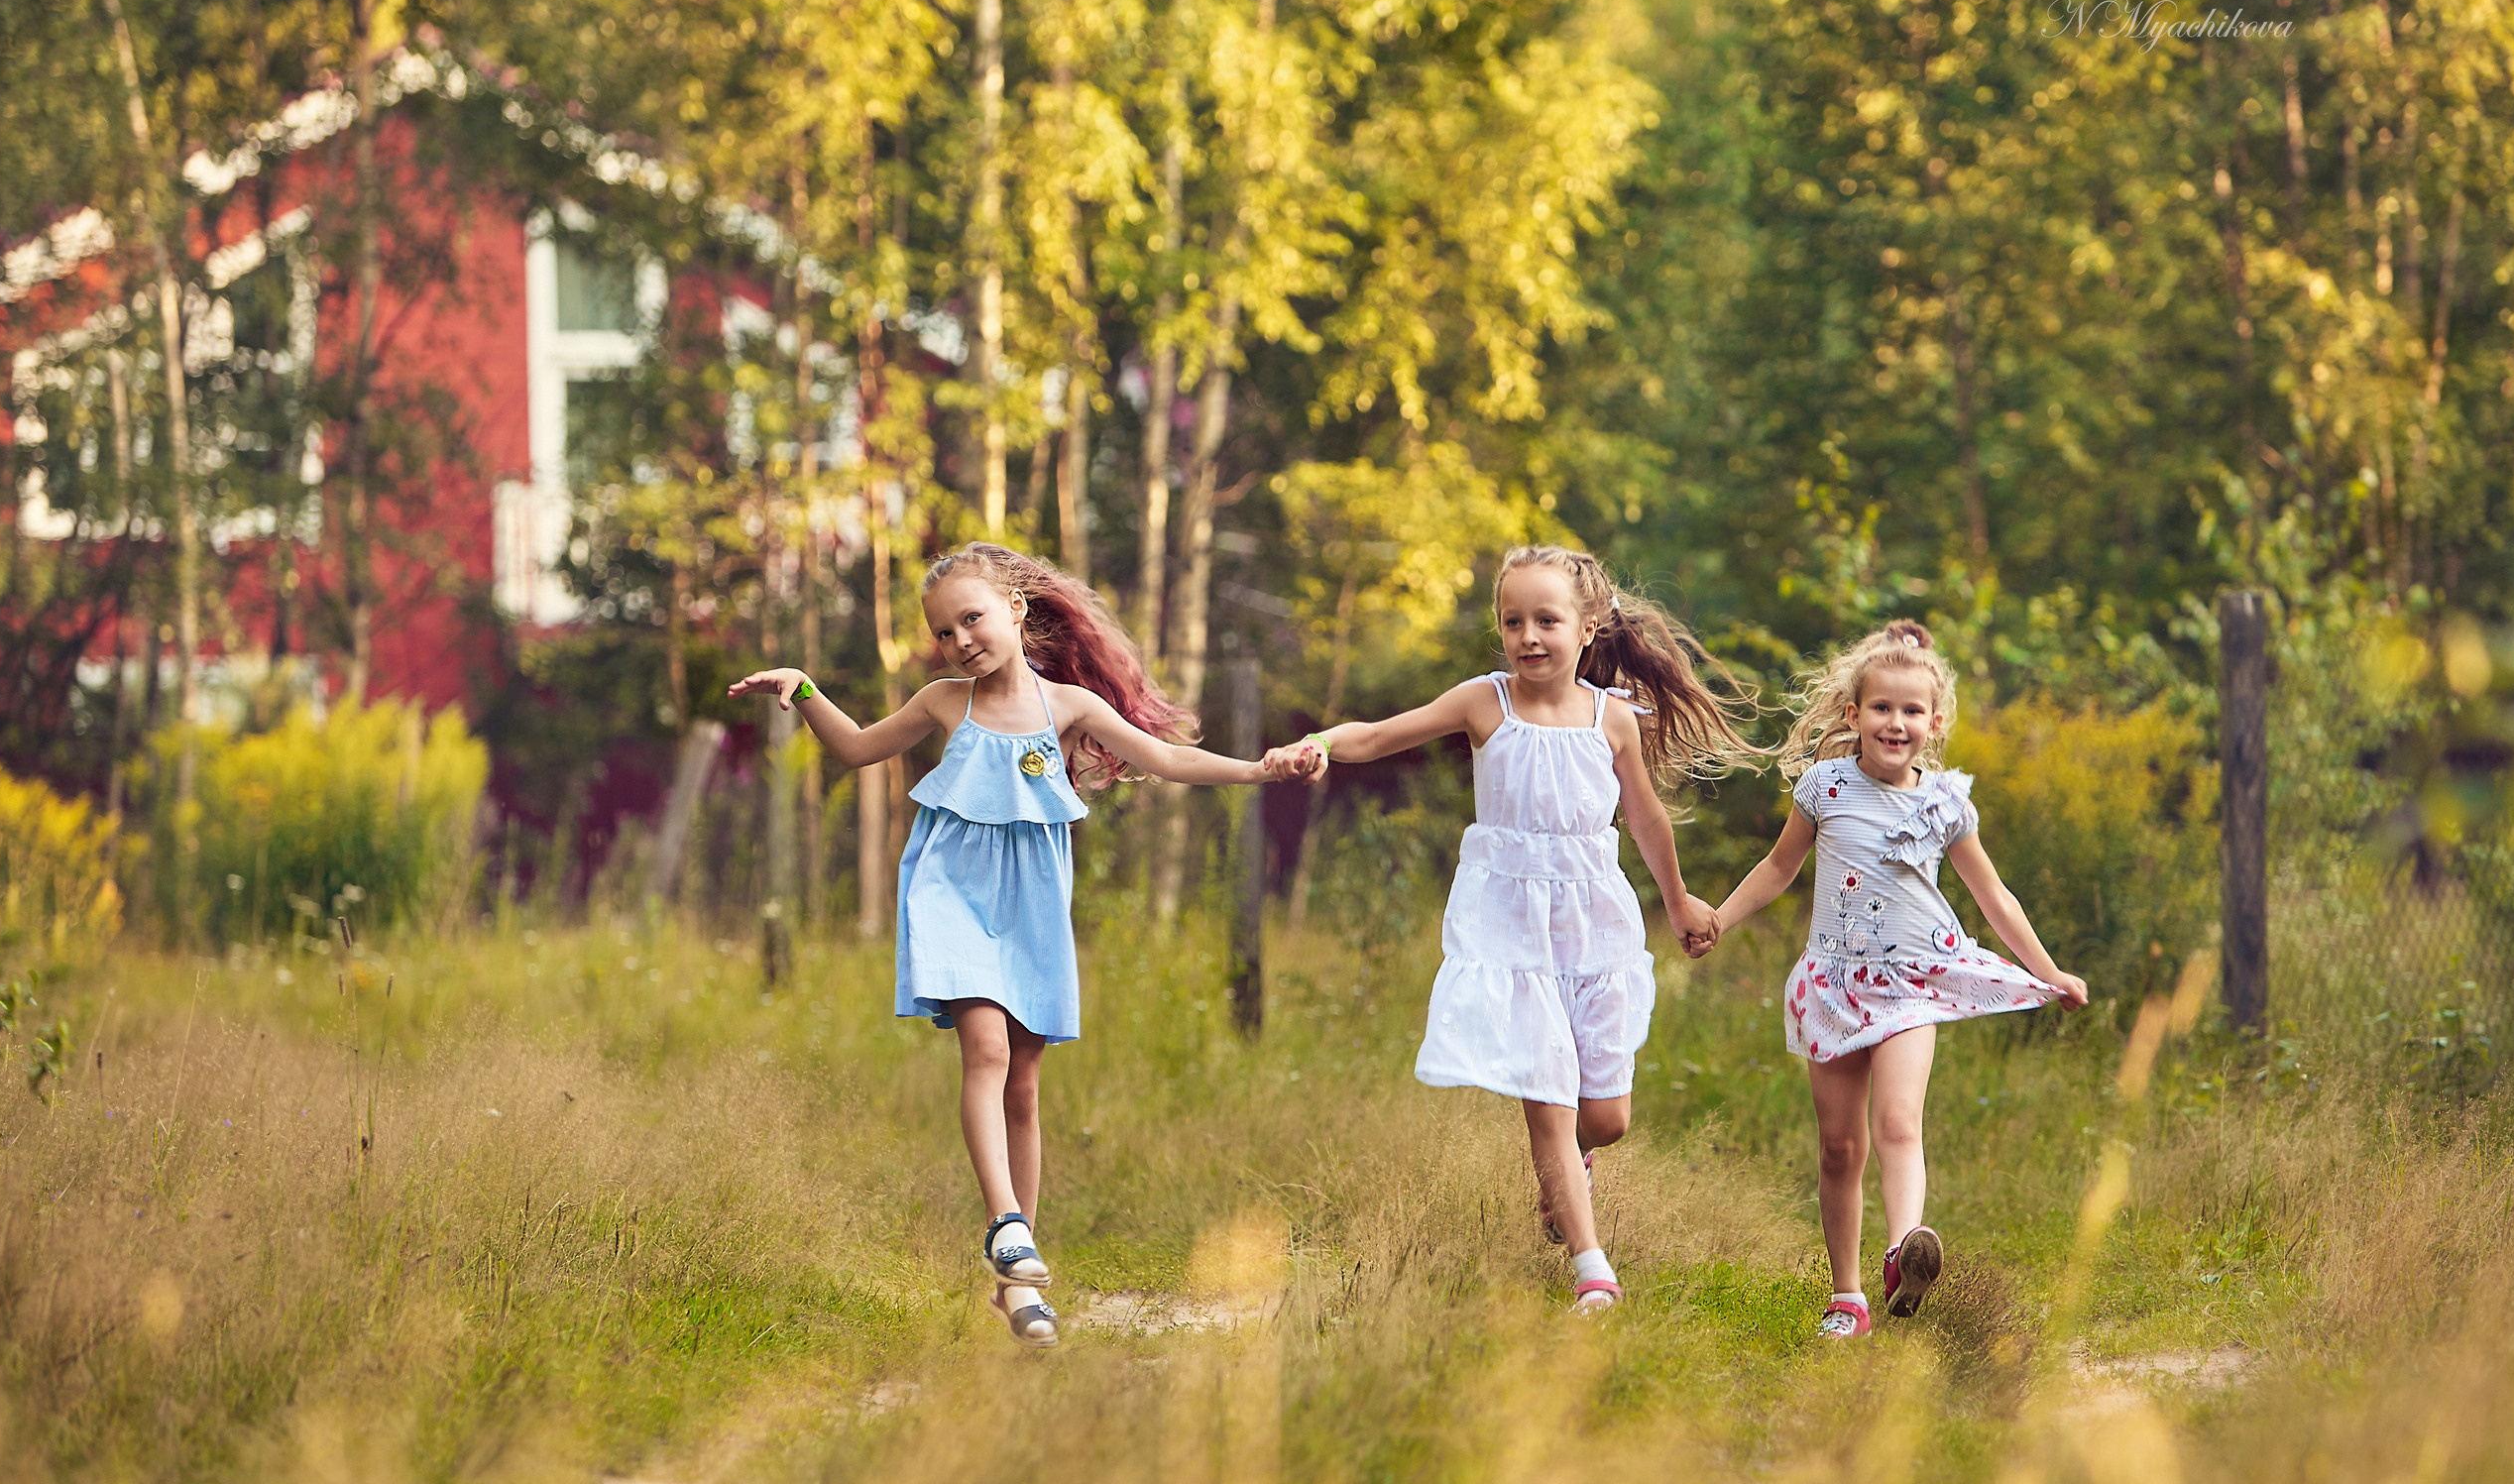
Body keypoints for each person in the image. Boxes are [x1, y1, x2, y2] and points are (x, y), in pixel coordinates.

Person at [732, 542, 1313, 1349]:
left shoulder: (1070, 706)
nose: (959, 639)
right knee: (986, 1051)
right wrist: (804, 689)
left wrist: (1259, 771)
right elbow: (861, 747)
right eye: (943, 631)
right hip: (952, 894)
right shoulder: (943, 703)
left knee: (1026, 1087)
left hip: (1035, 902)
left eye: (971, 618)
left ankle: (1018, 1286)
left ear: (1015, 609)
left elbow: (1169, 757)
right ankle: (1005, 1221)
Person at [1264, 544, 1758, 1313]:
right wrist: (1321, 745)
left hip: (1593, 921)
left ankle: (1569, 1180)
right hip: (1509, 929)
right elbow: (1380, 735)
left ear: (1587, 627)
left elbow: (1648, 818)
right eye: (1513, 621)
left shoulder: (1614, 720)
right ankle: (1592, 1266)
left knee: (1607, 1117)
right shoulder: (1482, 703)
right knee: (1551, 1097)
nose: (1529, 636)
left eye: (1547, 620)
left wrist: (1681, 899)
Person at [1690, 620, 2088, 1338]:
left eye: (1911, 711)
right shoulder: (1823, 787)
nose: (1895, 722)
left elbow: (1995, 897)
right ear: (1853, 715)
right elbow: (1779, 869)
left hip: (1912, 984)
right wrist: (1719, 917)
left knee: (1900, 1122)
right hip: (1833, 986)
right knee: (1840, 1147)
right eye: (1881, 708)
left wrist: (2048, 969)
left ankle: (1906, 1253)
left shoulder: (1944, 805)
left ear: (1934, 724)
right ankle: (1847, 1296)